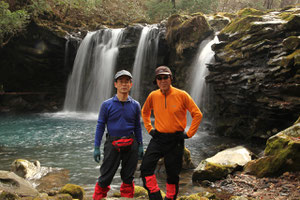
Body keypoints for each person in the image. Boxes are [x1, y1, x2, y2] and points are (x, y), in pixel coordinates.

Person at [140, 66, 203, 200]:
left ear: (171, 78)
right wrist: (149, 129)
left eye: (165, 77)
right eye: (159, 78)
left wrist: (189, 134)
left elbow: (197, 114)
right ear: (156, 80)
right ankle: (155, 195)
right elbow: (145, 112)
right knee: (145, 168)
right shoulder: (153, 95)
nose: (162, 80)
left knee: (173, 174)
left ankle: (170, 197)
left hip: (176, 139)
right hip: (158, 138)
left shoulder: (182, 95)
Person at [93, 70, 144, 200]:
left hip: (130, 144)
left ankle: (127, 198)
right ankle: (98, 198)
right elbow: (100, 126)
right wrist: (96, 147)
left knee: (128, 177)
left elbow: (138, 126)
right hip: (112, 143)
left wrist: (140, 145)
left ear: (131, 85)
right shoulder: (106, 105)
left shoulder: (135, 105)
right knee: (105, 176)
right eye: (121, 81)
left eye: (127, 81)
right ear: (115, 84)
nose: (124, 84)